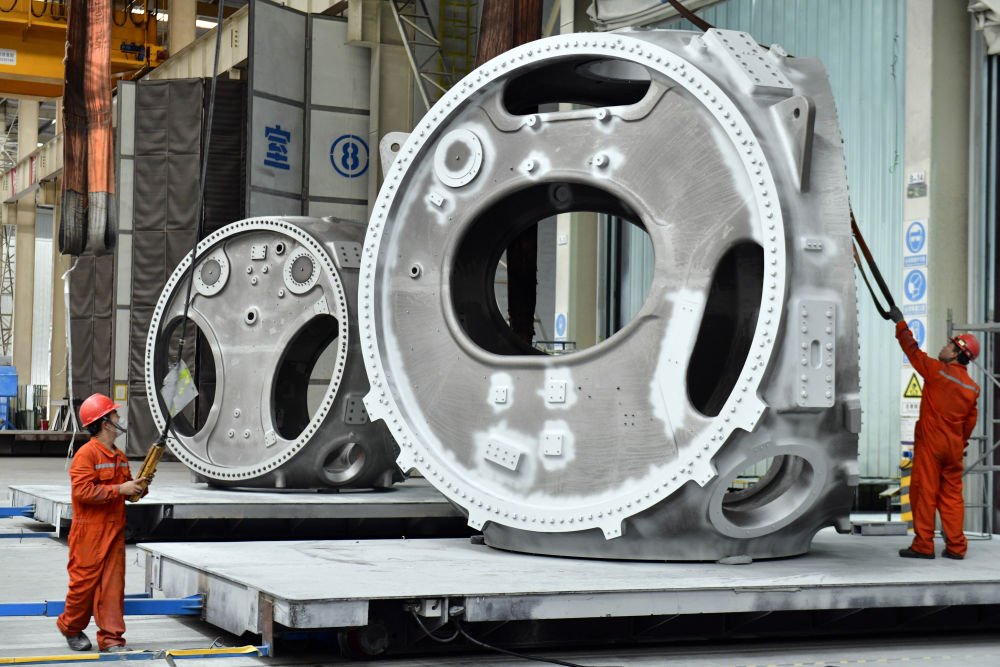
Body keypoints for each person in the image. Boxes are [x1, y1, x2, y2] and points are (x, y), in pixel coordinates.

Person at [56, 393, 151, 652]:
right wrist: (119, 489)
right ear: (105, 423)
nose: (119, 417)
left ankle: (111, 640)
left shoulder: (119, 456)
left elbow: (129, 492)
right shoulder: (86, 455)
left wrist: (140, 486)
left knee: (112, 588)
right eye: (115, 414)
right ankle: (70, 627)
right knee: (82, 587)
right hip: (89, 534)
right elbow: (82, 492)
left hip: (114, 531)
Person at [889, 307, 979, 560]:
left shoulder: (937, 371)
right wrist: (959, 444)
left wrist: (900, 323)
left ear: (956, 353)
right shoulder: (972, 388)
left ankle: (923, 545)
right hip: (953, 449)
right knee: (952, 497)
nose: (943, 347)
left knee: (924, 492)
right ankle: (956, 547)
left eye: (949, 346)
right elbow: (969, 422)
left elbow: (912, 351)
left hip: (932, 445)